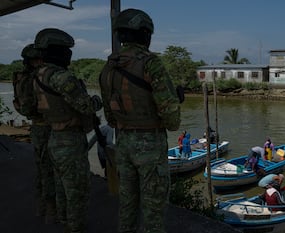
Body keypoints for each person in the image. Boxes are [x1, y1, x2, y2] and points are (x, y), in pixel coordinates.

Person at [99, 8, 181, 233]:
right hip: (150, 144)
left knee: (127, 201)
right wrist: (175, 102)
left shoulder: (109, 67)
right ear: (145, 34)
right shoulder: (150, 63)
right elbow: (172, 118)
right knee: (153, 207)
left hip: (124, 142)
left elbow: (110, 117)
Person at [32, 28, 102, 233]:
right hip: (69, 140)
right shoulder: (62, 78)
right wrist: (97, 101)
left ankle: (64, 221)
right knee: (77, 191)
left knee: (62, 187)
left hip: (54, 136)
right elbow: (86, 106)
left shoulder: (39, 76)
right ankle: (75, 227)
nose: (69, 55)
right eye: (66, 51)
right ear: (58, 52)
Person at [13, 44, 56, 223]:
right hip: (46, 126)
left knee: (41, 168)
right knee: (49, 170)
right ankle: (51, 210)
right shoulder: (36, 79)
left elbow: (23, 107)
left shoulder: (21, 78)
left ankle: (41, 207)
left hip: (36, 127)